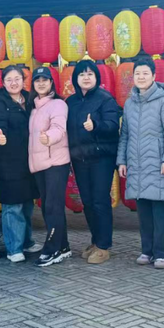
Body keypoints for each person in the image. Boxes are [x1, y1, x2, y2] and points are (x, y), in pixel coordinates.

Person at [117, 56, 164, 269]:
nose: (141, 77)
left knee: (161, 210)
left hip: (158, 163)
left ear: (154, 76)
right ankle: (147, 250)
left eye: (145, 73)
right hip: (137, 163)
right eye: (137, 74)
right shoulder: (129, 103)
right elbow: (125, 135)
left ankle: (163, 253)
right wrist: (122, 161)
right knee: (143, 211)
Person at [66, 60, 121, 264]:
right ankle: (96, 241)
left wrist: (96, 125)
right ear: (76, 79)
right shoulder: (71, 102)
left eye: (90, 74)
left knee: (100, 200)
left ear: (97, 77)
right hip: (80, 158)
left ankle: (104, 246)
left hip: (101, 158)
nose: (86, 77)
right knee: (87, 202)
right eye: (82, 74)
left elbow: (112, 125)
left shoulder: (105, 99)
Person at [0, 66, 41, 263]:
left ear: (23, 80)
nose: (13, 83)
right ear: (3, 82)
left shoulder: (29, 99)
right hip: (8, 161)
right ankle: (13, 248)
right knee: (13, 205)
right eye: (9, 79)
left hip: (28, 160)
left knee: (27, 203)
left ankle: (27, 242)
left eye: (17, 78)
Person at [28, 66, 71, 267]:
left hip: (56, 162)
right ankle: (63, 246)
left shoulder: (58, 105)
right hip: (40, 164)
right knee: (48, 206)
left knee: (53, 206)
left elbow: (59, 128)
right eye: (37, 80)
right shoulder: (34, 108)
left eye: (45, 80)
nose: (41, 83)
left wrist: (49, 138)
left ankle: (52, 249)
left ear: (52, 83)